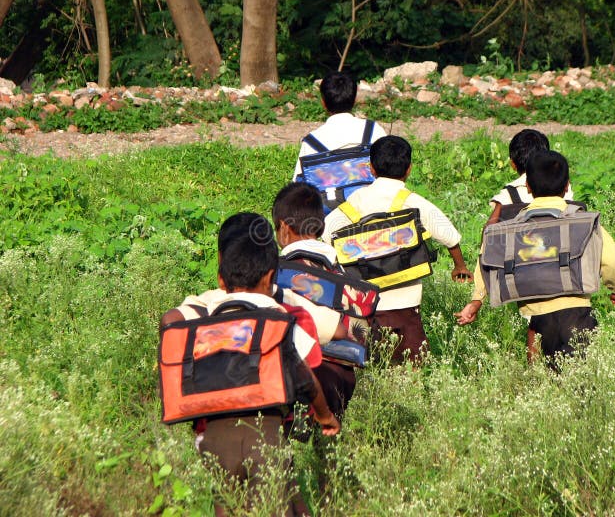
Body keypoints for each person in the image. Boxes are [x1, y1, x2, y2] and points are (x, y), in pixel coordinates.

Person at [160, 213, 340, 516]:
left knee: (226, 506)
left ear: (220, 281)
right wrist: (325, 416)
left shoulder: (203, 324)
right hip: (266, 433)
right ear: (270, 278)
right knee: (277, 504)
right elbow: (307, 376)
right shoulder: (278, 321)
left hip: (213, 440)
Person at [455, 150, 615, 367]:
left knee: (546, 378)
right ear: (567, 186)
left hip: (537, 319)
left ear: (528, 187)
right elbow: (610, 261)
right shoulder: (582, 221)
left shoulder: (508, 228)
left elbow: (486, 259)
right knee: (581, 381)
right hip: (576, 312)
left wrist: (476, 300)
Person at [323, 135, 473, 364]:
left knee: (371, 365)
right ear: (409, 169)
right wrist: (459, 266)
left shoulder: (356, 202)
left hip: (366, 304)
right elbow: (449, 236)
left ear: (371, 168)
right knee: (413, 366)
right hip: (406, 305)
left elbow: (326, 234)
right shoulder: (413, 202)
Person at [272, 182, 357, 418]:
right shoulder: (339, 262)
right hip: (343, 370)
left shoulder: (279, 271)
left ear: (284, 228)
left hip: (300, 372)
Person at [292, 71, 387, 180]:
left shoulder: (311, 142)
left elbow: (299, 185)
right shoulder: (374, 130)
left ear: (323, 103)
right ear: (355, 99)